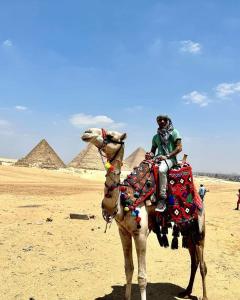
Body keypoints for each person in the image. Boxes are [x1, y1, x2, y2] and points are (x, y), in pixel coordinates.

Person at [150, 115, 182, 212]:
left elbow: (179, 148)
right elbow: (152, 151)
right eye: (160, 120)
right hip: (158, 158)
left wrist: (167, 156)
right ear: (157, 122)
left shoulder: (174, 132)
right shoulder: (155, 137)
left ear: (168, 121)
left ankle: (162, 198)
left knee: (161, 170)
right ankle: (151, 193)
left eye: (164, 119)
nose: (162, 121)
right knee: (145, 168)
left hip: (170, 159)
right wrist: (149, 155)